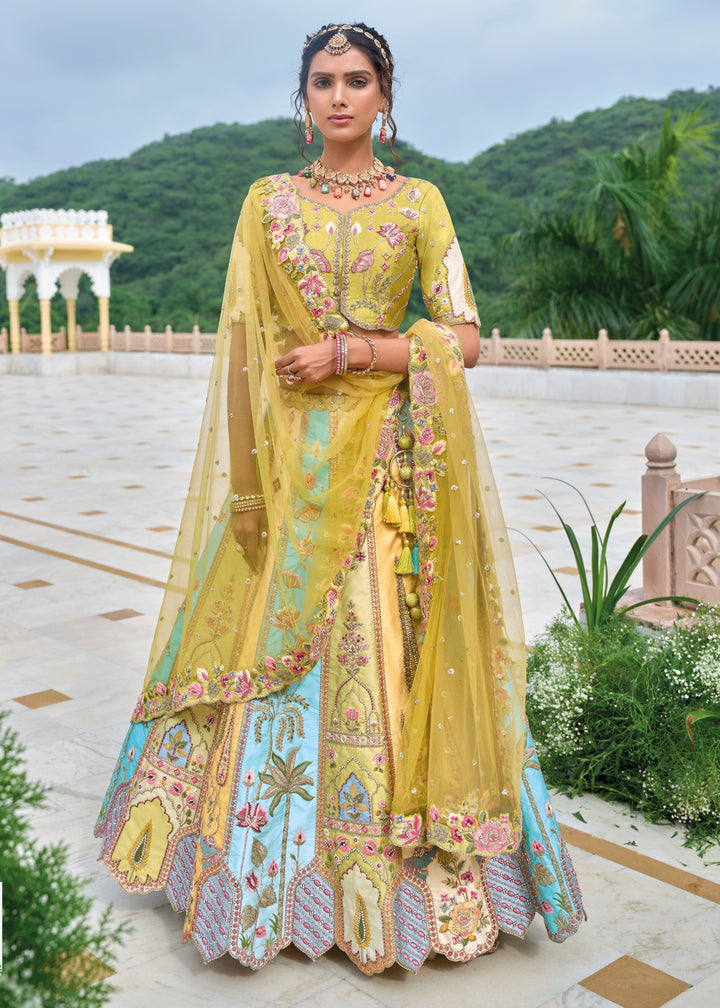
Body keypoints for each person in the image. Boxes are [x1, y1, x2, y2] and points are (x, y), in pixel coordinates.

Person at [96, 22, 584, 974]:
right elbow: (243, 346)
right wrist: (247, 490)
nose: (339, 96)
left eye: (358, 80)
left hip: (389, 471)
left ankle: (403, 890)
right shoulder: (266, 202)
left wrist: (355, 351)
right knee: (257, 638)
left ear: (385, 96)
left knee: (390, 644)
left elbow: (465, 337)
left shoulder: (420, 204)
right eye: (323, 81)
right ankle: (252, 880)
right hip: (292, 465)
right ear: (304, 96)